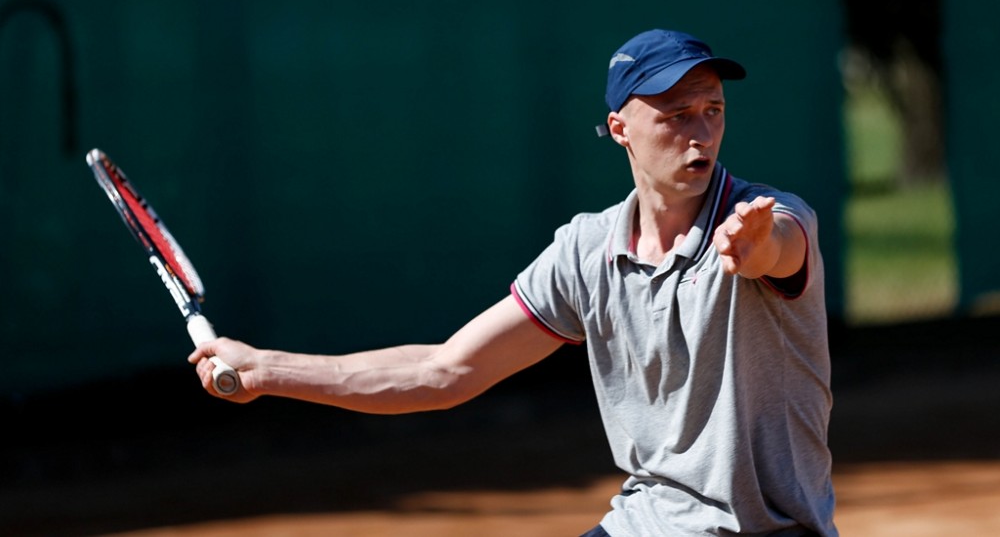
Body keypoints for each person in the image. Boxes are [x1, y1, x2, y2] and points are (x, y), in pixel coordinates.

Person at [189, 28, 838, 536]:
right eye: (675, 115)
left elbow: (780, 247)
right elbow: (445, 371)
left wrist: (758, 247)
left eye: (713, 110)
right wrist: (268, 369)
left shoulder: (768, 217)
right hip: (648, 522)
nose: (701, 133)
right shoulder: (586, 251)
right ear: (621, 129)